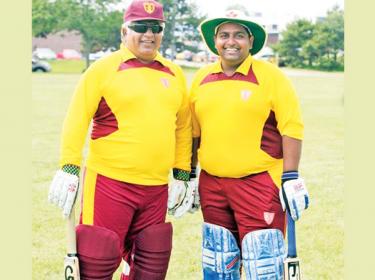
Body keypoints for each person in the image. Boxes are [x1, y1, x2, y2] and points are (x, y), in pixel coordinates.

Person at [47, 0, 194, 279]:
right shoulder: (103, 69)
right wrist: (69, 167)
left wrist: (182, 174)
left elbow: (183, 127)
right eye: (140, 27)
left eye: (156, 28)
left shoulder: (174, 74)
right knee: (97, 262)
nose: (149, 34)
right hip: (109, 183)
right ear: (124, 30)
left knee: (149, 266)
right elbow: (77, 118)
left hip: (155, 188)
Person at [189, 10, 310, 279]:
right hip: (212, 185)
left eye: (239, 35)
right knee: (219, 264)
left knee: (263, 265)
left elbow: (291, 126)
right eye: (224, 35)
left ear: (251, 41)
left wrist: (291, 176)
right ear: (215, 41)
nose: (231, 42)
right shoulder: (201, 78)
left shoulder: (271, 77)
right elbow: (194, 131)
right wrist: (188, 174)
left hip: (258, 184)